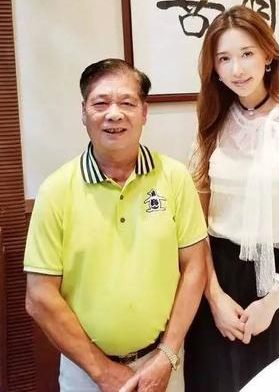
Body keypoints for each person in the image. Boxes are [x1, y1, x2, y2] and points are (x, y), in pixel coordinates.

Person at [24, 58, 207, 392]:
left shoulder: (175, 177)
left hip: (162, 362)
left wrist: (167, 355)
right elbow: (39, 296)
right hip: (85, 370)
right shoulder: (56, 189)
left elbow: (195, 266)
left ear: (144, 113)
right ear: (83, 113)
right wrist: (103, 372)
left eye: (127, 103)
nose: (114, 114)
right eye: (100, 103)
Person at [184, 6, 279, 392]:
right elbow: (195, 225)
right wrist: (214, 297)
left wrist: (273, 299)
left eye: (247, 53)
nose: (237, 68)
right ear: (214, 70)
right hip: (217, 277)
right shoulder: (212, 124)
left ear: (268, 55)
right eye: (224, 59)